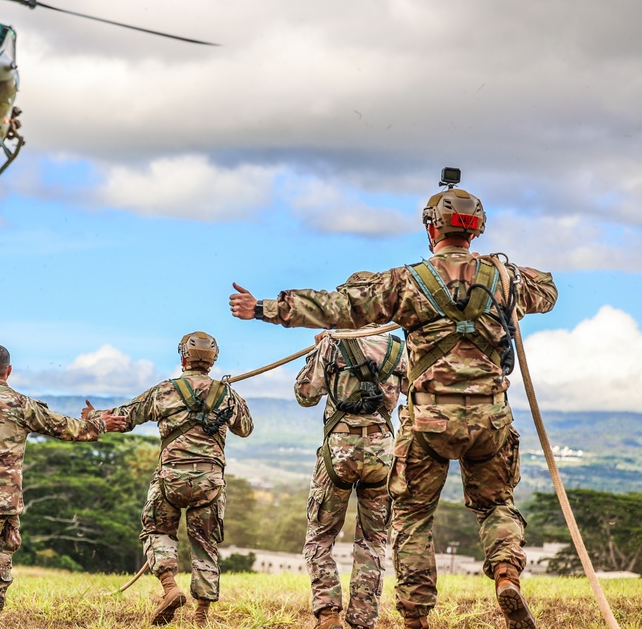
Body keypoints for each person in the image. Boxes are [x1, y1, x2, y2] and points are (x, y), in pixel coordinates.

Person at [229, 181, 557, 629]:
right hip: (490, 419)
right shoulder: (504, 278)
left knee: (413, 518)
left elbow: (338, 306)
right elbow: (547, 290)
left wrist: (267, 308)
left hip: (428, 422)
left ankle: (415, 618)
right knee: (497, 504)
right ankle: (505, 575)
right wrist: (500, 267)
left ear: (430, 228)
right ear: (477, 229)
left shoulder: (407, 282)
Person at [0, 343, 127, 624]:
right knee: (1, 549)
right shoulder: (22, 404)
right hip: (5, 498)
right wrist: (99, 424)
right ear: (9, 371)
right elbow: (63, 427)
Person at [85, 332, 254, 626]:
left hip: (170, 480)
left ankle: (170, 588)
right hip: (210, 484)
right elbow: (246, 428)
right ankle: (201, 615)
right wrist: (226, 398)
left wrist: (94, 415)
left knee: (157, 531)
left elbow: (126, 418)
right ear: (214, 361)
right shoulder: (226, 394)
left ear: (183, 357)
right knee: (205, 545)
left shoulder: (164, 391)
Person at [295, 325, 406, 629]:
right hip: (382, 454)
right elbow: (416, 389)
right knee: (372, 541)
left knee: (320, 536)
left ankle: (328, 614)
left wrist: (316, 352)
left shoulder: (332, 345)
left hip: (339, 453)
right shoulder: (397, 348)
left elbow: (305, 395)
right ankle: (362, 620)